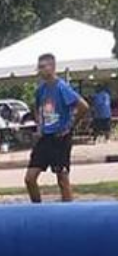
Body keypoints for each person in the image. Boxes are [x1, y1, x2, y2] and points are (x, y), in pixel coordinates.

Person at [24, 53, 88, 203]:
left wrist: (70, 127)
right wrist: (40, 126)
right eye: (38, 68)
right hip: (45, 138)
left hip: (60, 138)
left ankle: (67, 213)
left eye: (43, 67)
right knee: (30, 178)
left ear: (52, 67)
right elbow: (37, 108)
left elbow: (83, 106)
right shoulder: (41, 90)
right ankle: (37, 209)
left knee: (62, 178)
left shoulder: (62, 87)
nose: (40, 71)